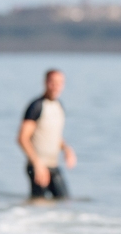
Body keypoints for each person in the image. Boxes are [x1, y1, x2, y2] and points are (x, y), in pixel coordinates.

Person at [18, 68, 77, 199]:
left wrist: (66, 149)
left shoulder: (59, 105)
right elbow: (22, 138)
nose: (56, 86)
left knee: (65, 201)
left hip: (53, 165)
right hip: (37, 166)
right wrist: (37, 163)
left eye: (59, 83)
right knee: (39, 205)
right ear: (45, 83)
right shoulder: (36, 106)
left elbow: (53, 134)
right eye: (52, 82)